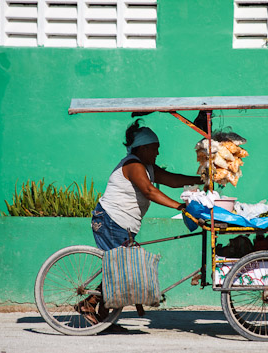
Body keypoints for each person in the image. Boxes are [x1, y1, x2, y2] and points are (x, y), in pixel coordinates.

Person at [76, 119, 203, 326]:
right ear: (143, 148)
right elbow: (149, 191)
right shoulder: (133, 164)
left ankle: (103, 319)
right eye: (155, 149)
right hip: (110, 221)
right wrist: (180, 207)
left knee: (121, 267)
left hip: (122, 225)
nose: (158, 154)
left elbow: (172, 179)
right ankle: (88, 303)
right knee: (121, 268)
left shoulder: (147, 166)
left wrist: (204, 179)